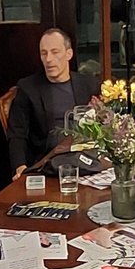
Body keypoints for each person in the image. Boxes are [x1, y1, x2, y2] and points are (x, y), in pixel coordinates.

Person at [9, 28, 102, 179]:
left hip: (86, 161)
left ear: (69, 54)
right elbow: (17, 133)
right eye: (44, 53)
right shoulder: (28, 88)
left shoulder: (89, 84)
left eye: (55, 52)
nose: (48, 59)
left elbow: (102, 125)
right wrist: (20, 167)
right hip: (47, 164)